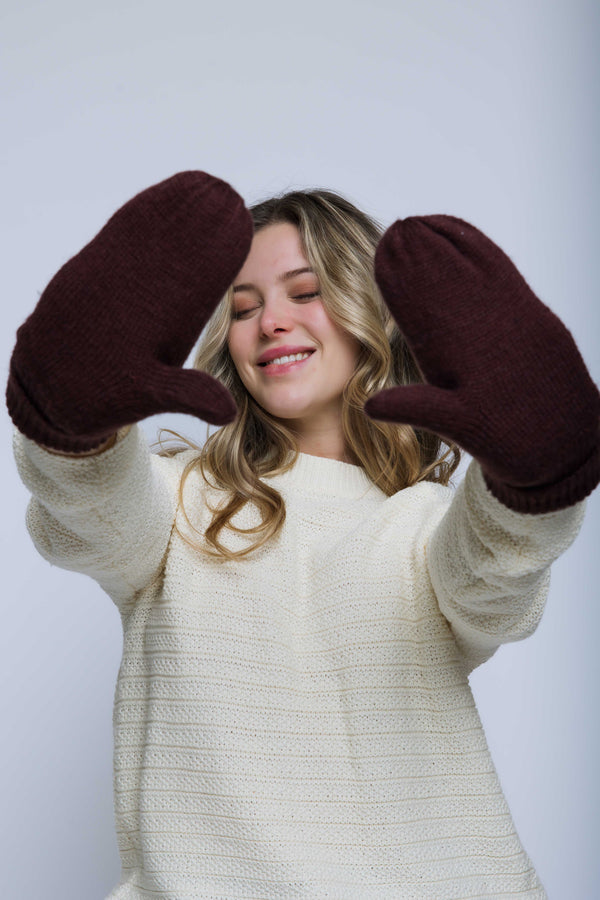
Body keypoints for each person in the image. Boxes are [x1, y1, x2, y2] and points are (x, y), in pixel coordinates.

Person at [7, 171, 600, 899]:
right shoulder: (181, 502)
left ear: (371, 314)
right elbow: (89, 507)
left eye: (305, 291)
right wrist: (70, 422)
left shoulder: (425, 524)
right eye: (242, 307)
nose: (270, 323)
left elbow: (495, 574)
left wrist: (531, 480)